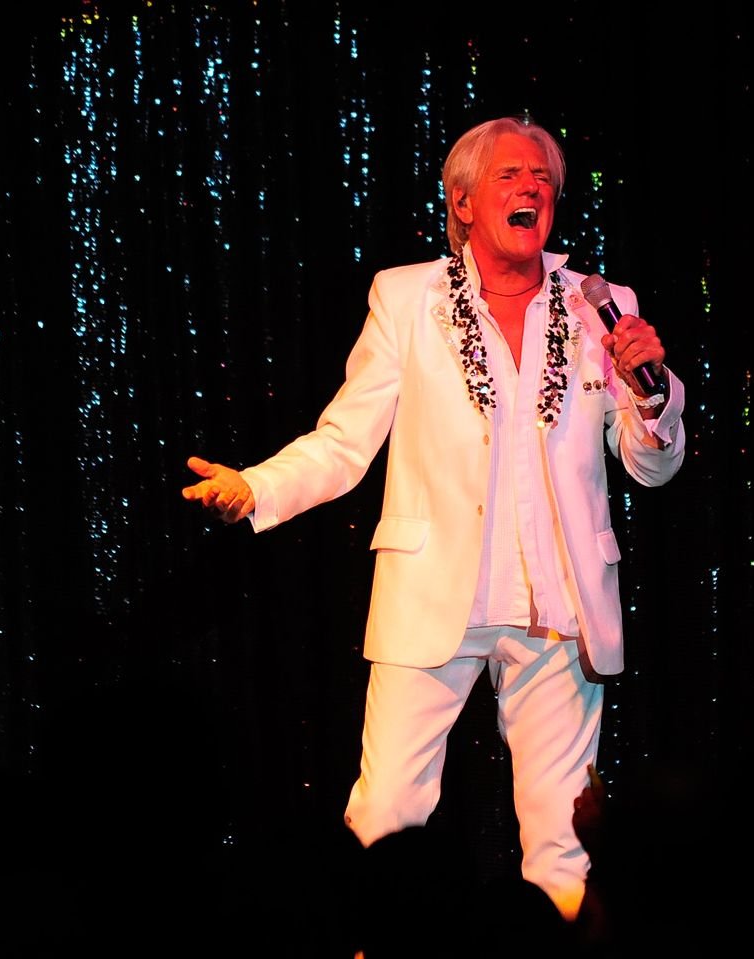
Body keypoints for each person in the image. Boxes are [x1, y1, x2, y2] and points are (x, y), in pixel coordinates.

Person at [181, 115, 685, 923]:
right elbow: (345, 440)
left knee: (564, 837)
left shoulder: (601, 304)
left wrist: (653, 394)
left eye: (544, 178)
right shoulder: (407, 297)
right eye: (511, 175)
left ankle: (566, 953)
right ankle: (365, 944)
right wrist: (256, 486)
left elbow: (651, 465)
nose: (532, 188)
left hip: (560, 603)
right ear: (462, 200)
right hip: (434, 591)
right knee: (385, 810)